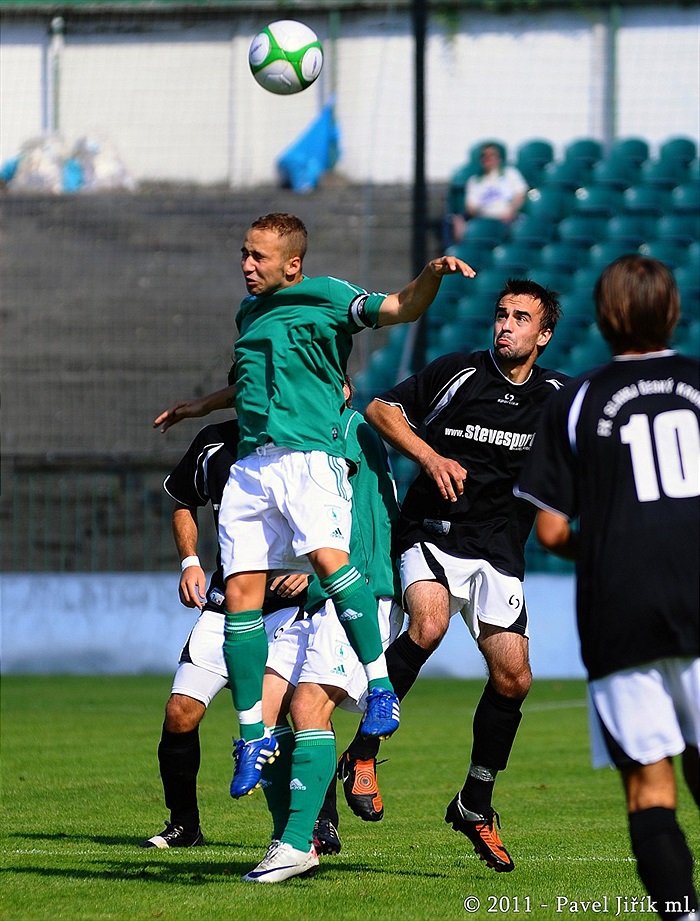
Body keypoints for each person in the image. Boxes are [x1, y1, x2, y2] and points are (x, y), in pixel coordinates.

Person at [153, 212, 475, 799]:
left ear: (291, 264)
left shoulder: (326, 296)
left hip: (308, 457)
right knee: (242, 596)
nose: (247, 265)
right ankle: (253, 734)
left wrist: (431, 274)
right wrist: (198, 407)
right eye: (244, 254)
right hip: (254, 464)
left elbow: (401, 307)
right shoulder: (249, 313)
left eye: (259, 256)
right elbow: (251, 382)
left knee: (330, 562)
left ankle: (380, 688)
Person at [338, 278, 567, 873]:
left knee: (515, 680)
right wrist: (430, 457)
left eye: (520, 319)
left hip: (498, 551)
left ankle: (475, 801)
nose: (505, 325)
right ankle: (362, 752)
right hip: (432, 531)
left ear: (544, 335)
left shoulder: (558, 397)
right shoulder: (457, 372)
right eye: (501, 315)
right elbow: (381, 409)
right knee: (430, 624)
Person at [515, 255, 699, 920]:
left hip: (620, 605)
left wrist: (616, 536)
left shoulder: (578, 397)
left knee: (650, 788)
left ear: (605, 315)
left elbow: (552, 528)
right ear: (673, 311)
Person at [140, 413, 346, 851]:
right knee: (180, 712)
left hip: (292, 610)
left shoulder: (304, 442)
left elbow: (343, 517)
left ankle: (321, 822)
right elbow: (182, 498)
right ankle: (184, 825)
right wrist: (189, 561)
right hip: (228, 607)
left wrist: (314, 573)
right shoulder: (215, 443)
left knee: (300, 711)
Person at [241, 378, 405, 883]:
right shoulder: (303, 443)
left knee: (308, 706)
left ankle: (295, 844)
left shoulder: (352, 431)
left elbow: (362, 526)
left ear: (344, 390)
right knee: (258, 711)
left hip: (358, 593)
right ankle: (295, 840)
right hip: (317, 598)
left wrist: (321, 574)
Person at [450, 142, 528, 244]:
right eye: (484, 156)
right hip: (483, 220)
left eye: (491, 155)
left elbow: (520, 195)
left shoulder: (510, 174)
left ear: (498, 158)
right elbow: (470, 206)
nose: (488, 158)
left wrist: (511, 211)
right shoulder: (474, 181)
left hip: (508, 219)